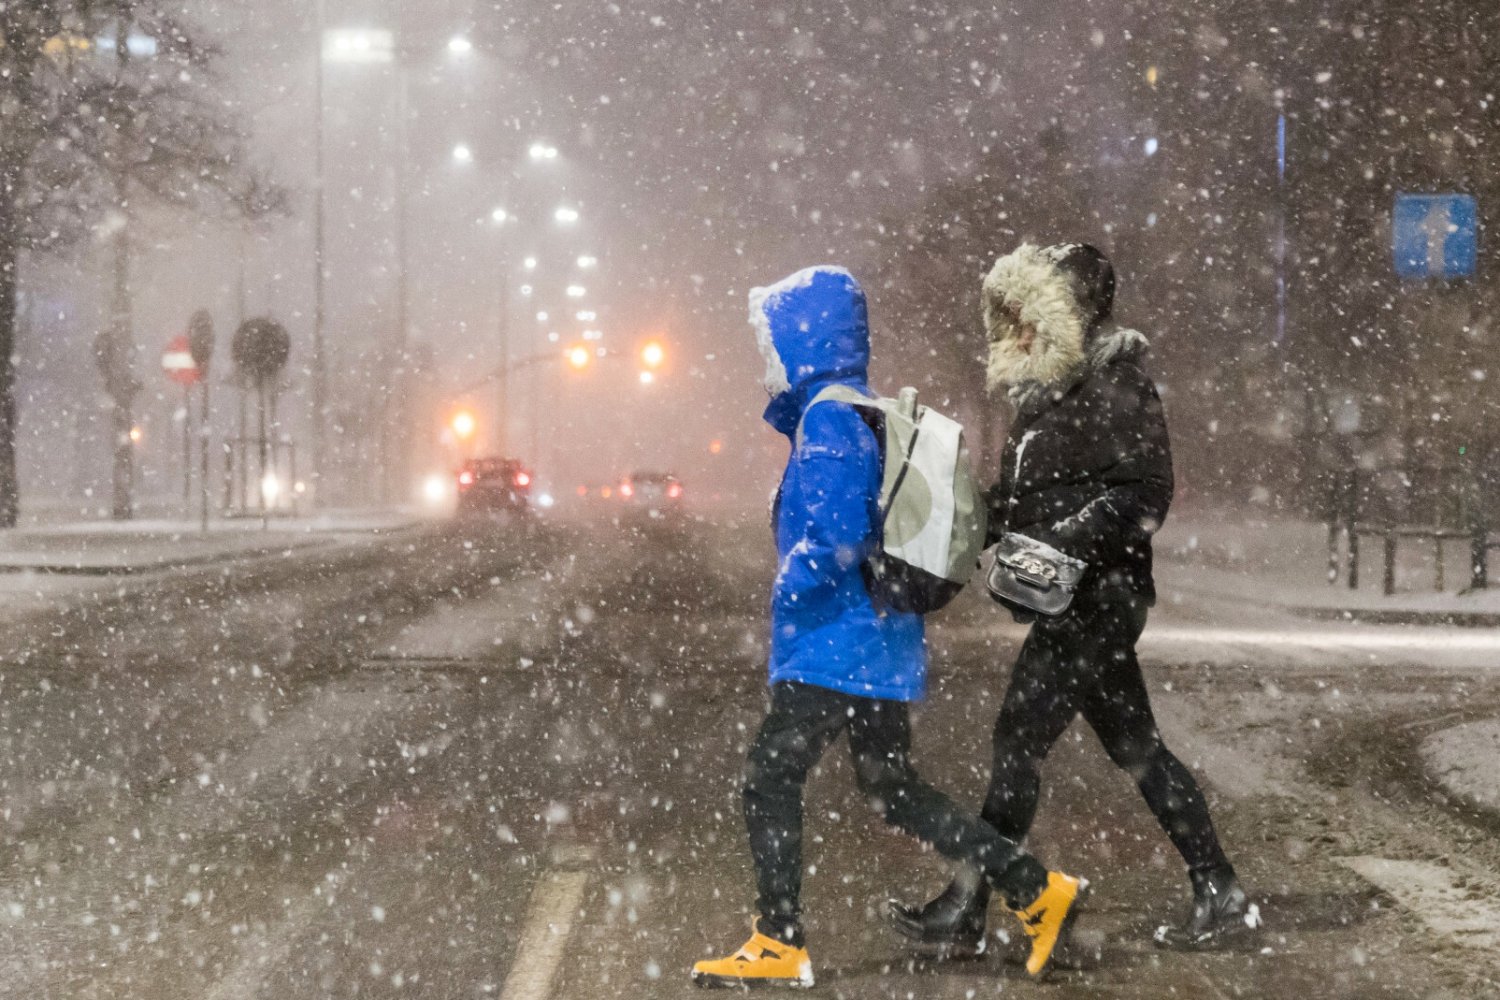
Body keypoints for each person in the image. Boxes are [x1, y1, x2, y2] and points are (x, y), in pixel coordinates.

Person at [691, 265, 1086, 989]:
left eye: (775, 341)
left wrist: (792, 586)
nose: (768, 358)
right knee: (892, 788)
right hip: (880, 638)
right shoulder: (862, 408)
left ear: (801, 341)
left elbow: (837, 535)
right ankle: (1037, 889)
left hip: (833, 642)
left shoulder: (828, 420)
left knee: (769, 778)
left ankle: (779, 938)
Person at [888, 243, 1255, 957]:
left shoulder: (1118, 385)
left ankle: (971, 905)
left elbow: (1147, 491)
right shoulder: (1048, 395)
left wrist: (1067, 541)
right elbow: (1029, 501)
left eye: (1034, 316)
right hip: (1076, 601)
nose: (1020, 331)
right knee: (1138, 750)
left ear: (1072, 315)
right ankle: (1220, 889)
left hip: (1097, 600)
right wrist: (962, 529)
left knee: (1016, 743)